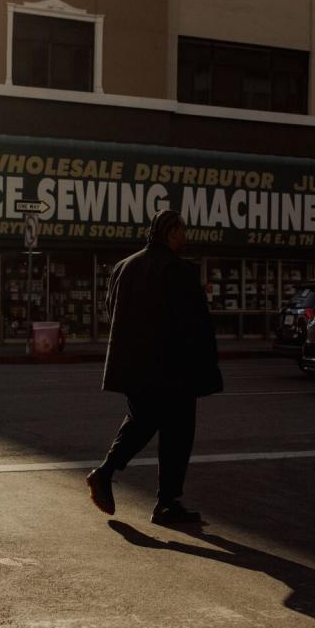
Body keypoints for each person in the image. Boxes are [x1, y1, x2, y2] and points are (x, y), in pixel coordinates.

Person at [86, 209, 223, 525]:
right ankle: (163, 500)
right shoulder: (179, 270)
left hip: (133, 366)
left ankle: (109, 476)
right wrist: (205, 365)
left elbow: (112, 311)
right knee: (177, 433)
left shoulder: (124, 267)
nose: (185, 237)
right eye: (183, 231)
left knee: (141, 420)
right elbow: (195, 325)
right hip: (172, 368)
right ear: (171, 232)